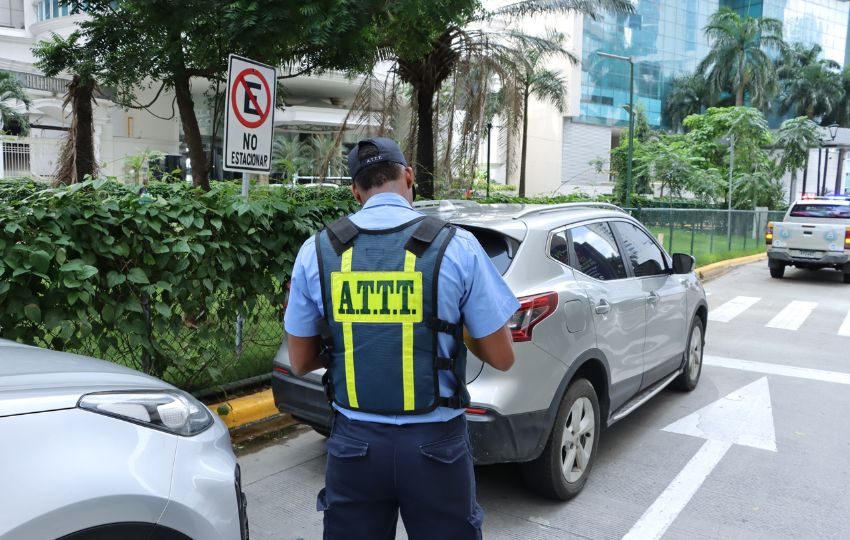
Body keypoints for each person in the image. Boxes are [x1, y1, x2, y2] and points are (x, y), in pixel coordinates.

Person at [284, 137, 518, 540]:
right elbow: (502, 357)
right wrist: (448, 324)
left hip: (354, 445)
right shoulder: (456, 245)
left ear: (355, 190)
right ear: (409, 176)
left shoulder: (317, 250)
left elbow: (301, 360)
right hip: (436, 447)